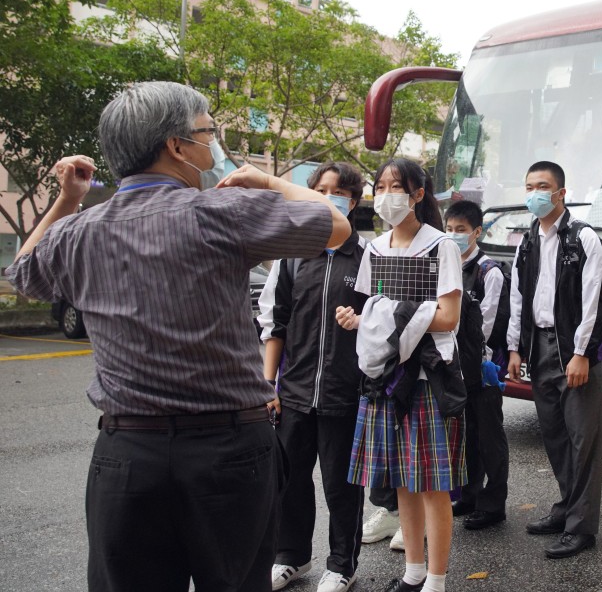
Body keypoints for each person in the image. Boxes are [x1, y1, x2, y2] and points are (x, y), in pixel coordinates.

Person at [4, 81, 350, 591]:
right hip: (228, 452)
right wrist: (270, 182)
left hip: (127, 455)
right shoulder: (221, 212)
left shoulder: (79, 232)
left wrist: (66, 201)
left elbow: (23, 272)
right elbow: (335, 226)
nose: (212, 145)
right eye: (208, 132)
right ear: (176, 145)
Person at [336, 158, 466, 592]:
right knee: (402, 482)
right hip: (388, 375)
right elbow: (371, 310)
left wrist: (387, 316)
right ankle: (413, 573)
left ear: (418, 195)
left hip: (428, 377)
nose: (387, 195)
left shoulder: (440, 245)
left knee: (432, 484)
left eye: (397, 187)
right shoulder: (375, 248)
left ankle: (437, 580)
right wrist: (359, 320)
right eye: (382, 186)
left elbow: (449, 318)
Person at [258, 162, 368, 592]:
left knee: (341, 486)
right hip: (295, 392)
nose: (327, 197)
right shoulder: (292, 256)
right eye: (319, 190)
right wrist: (269, 384)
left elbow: (382, 321)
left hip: (346, 392)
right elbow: (275, 322)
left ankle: (342, 563)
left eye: (336, 192)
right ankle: (291, 557)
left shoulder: (366, 257)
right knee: (290, 479)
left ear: (353, 202)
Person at [506, 161, 602, 559]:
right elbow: (518, 298)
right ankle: (568, 507)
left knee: (583, 440)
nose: (535, 193)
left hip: (573, 351)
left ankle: (581, 528)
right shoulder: (527, 239)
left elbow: (594, 301)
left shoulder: (583, 238)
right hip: (539, 349)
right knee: (554, 435)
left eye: (543, 186)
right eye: (529, 186)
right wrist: (515, 347)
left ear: (561, 192)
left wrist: (582, 353)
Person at [444, 200, 510, 530]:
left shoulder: (489, 271)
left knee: (489, 435)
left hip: (483, 366)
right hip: (455, 366)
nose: (454, 236)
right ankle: (469, 494)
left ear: (477, 232)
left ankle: (493, 503)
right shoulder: (447, 267)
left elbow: (487, 324)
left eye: (461, 231)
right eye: (449, 230)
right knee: (466, 435)